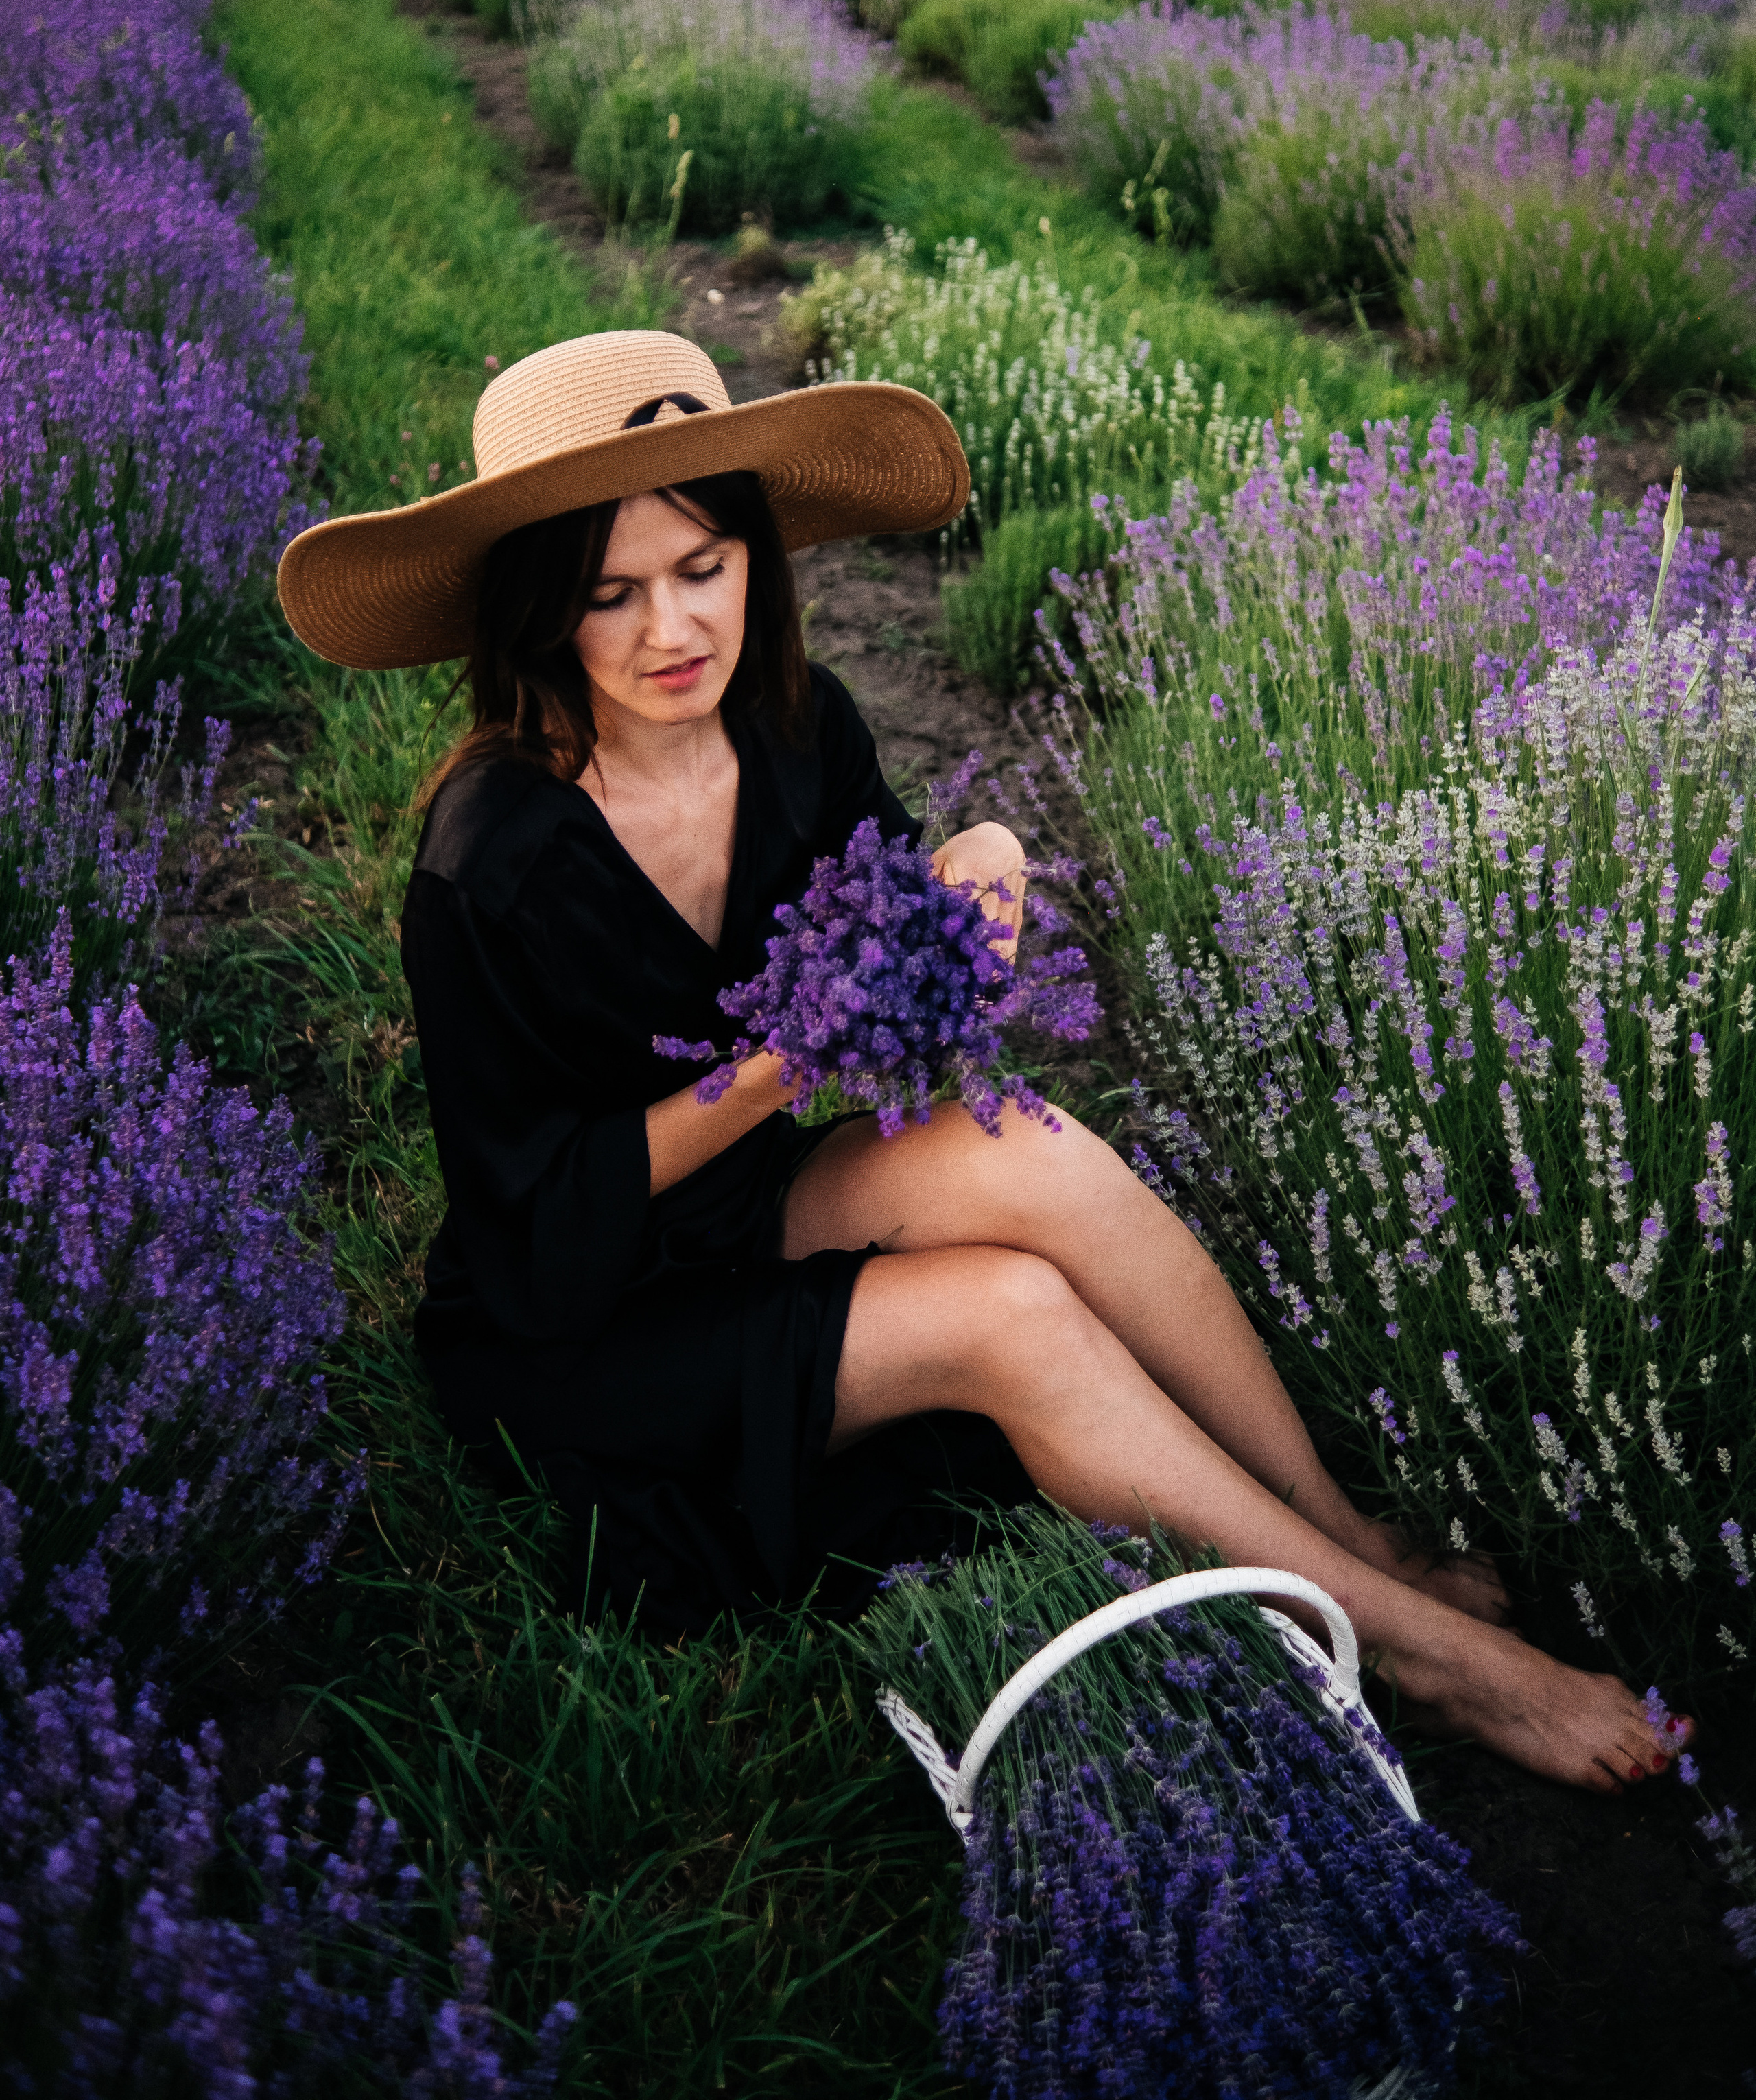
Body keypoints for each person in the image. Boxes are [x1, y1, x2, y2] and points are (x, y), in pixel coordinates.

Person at [279, 327, 1689, 1794]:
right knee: (1011, 1316)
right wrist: (774, 1069)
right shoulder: (493, 857)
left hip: (737, 1203)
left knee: (1030, 1145)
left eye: (701, 567)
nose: (671, 629)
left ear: (755, 557)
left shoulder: (792, 730)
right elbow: (537, 1214)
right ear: (535, 613)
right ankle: (1415, 1652)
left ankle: (1343, 1533)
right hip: (579, 1311)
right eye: (608, 594)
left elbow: (904, 947)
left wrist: (982, 867)